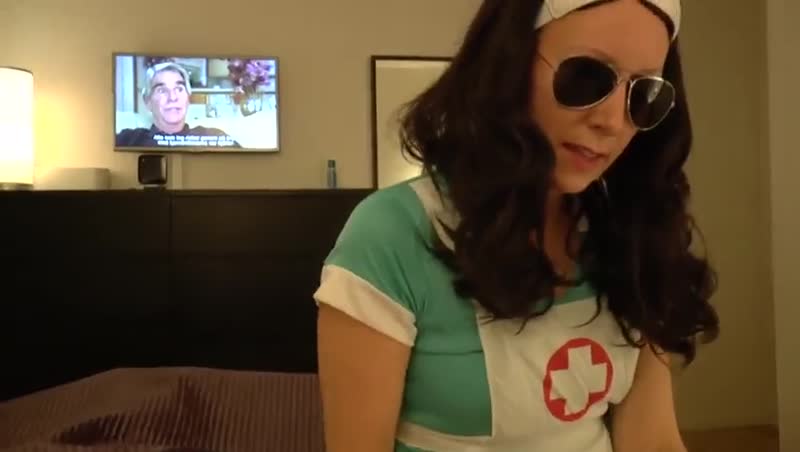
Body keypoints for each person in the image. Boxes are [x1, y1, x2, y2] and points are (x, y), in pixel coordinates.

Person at [313, 0, 720, 451]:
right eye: (586, 77)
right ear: (508, 64)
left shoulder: (631, 234)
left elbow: (652, 439)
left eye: (643, 94)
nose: (611, 121)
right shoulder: (392, 235)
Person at [115, 62, 240, 148]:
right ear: (147, 101)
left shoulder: (213, 137)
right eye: (162, 90)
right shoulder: (129, 140)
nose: (173, 97)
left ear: (188, 98)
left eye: (179, 89)